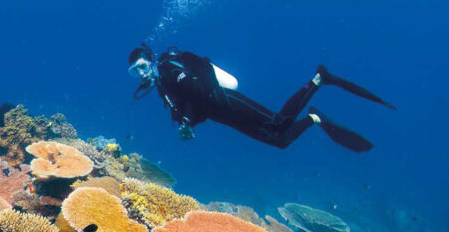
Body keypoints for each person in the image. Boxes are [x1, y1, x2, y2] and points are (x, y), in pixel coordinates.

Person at [127, 44, 394, 152]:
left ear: (150, 61)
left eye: (141, 66)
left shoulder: (168, 68)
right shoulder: (163, 87)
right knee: (279, 141)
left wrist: (186, 118)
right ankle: (315, 118)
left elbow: (197, 92)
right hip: (223, 115)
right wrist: (186, 124)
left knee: (278, 122)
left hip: (226, 100)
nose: (140, 74)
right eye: (134, 72)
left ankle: (319, 79)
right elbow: (192, 109)